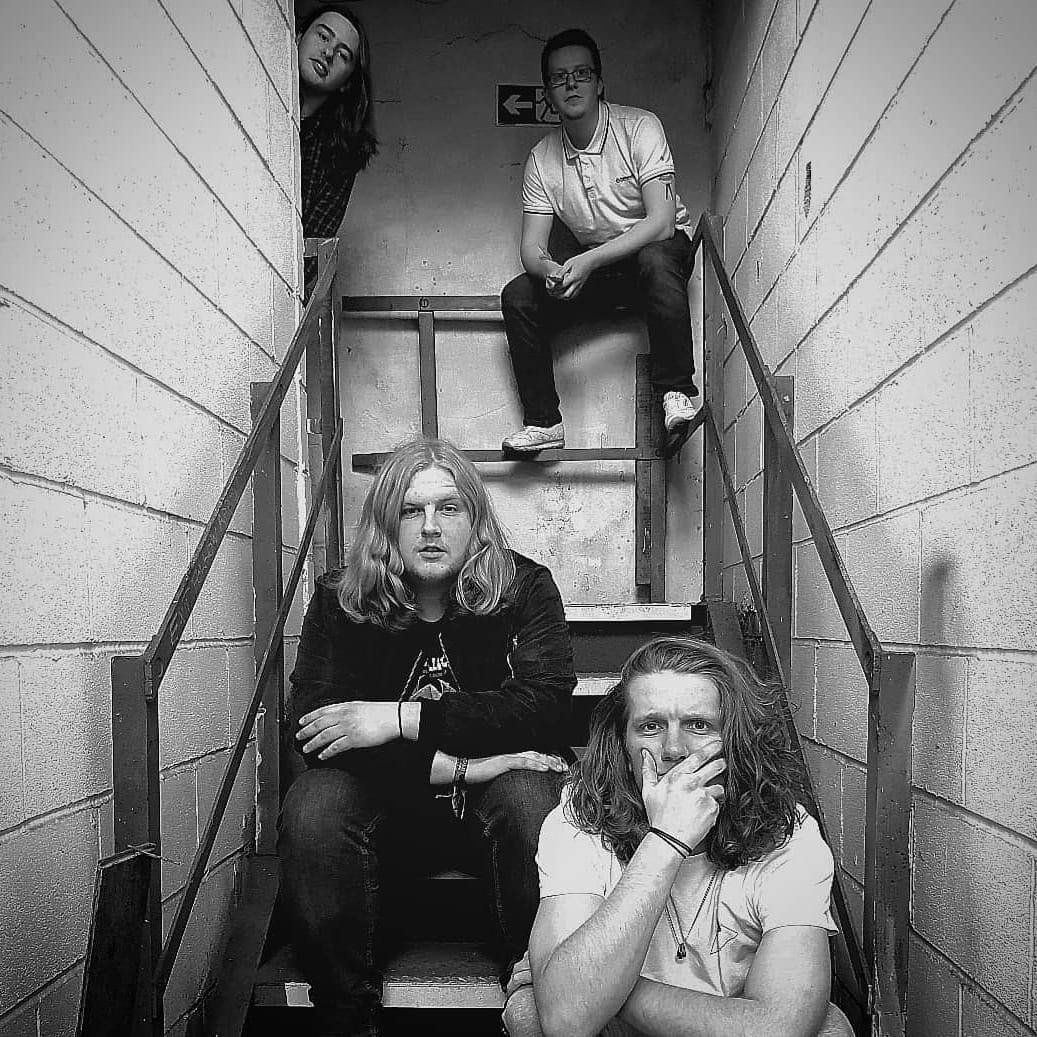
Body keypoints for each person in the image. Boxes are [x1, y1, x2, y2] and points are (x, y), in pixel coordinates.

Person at [278, 436, 576, 1037]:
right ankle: (347, 1015)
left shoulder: (524, 588)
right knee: (313, 805)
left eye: (448, 508)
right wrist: (467, 765)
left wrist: (399, 718)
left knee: (531, 796)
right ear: (386, 525)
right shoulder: (340, 600)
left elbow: (543, 706)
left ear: (475, 519)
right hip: (391, 813)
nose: (431, 527)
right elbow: (314, 732)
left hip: (493, 814)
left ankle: (536, 993)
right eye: (411, 511)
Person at [503, 637, 853, 1037]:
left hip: (724, 1022)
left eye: (698, 726)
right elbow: (566, 1019)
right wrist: (666, 839)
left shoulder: (788, 833)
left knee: (830, 1028)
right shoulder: (579, 820)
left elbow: (778, 1026)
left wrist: (605, 990)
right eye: (651, 727)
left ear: (734, 743)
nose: (673, 749)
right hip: (617, 1031)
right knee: (530, 1014)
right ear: (624, 747)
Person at [500, 29, 699, 453]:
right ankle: (544, 422)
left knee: (655, 258)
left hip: (659, 259)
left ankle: (676, 391)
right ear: (548, 94)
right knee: (518, 296)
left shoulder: (640, 127)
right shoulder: (542, 159)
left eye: (582, 73)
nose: (571, 84)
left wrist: (588, 261)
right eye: (559, 77)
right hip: (604, 271)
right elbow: (532, 248)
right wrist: (553, 270)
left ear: (600, 83)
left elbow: (662, 223)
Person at [296, 3, 377, 293]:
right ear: (298, 36)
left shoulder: (342, 152)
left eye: (343, 54)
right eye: (323, 36)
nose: (328, 52)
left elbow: (309, 253)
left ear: (347, 82)